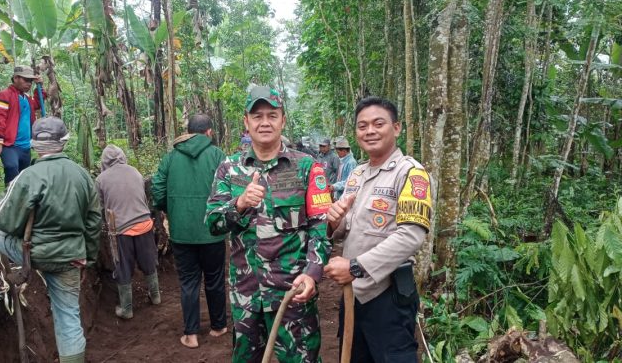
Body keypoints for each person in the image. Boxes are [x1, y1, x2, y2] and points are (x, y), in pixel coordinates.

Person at [0, 117, 101, 363]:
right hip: (72, 256)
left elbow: (7, 222)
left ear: (34, 145)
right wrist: (88, 259)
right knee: (68, 317)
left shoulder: (28, 176)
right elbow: (94, 223)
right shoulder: (83, 176)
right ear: (64, 142)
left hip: (33, 253)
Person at [205, 85, 333, 363]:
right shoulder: (230, 169)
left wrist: (312, 273)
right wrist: (239, 204)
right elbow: (213, 223)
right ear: (246, 122)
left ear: (283, 120)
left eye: (272, 115)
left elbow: (320, 226)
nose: (265, 122)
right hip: (246, 295)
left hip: (293, 292)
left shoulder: (308, 167)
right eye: (257, 115)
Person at [324, 97, 433, 362]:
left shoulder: (411, 174)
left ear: (396, 128)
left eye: (378, 123)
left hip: (388, 299)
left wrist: (354, 267)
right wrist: (333, 221)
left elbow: (411, 236)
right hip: (353, 299)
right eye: (362, 126)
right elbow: (343, 230)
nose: (369, 130)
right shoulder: (357, 175)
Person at [152, 114, 228, 348]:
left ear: (188, 131)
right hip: (213, 231)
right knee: (215, 279)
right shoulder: (218, 156)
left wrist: (171, 210)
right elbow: (231, 187)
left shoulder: (170, 157)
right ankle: (218, 326)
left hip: (182, 233)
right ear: (209, 133)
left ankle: (191, 335)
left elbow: (157, 188)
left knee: (188, 282)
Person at [96, 144, 160, 320]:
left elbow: (100, 207)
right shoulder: (135, 172)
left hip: (121, 230)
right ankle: (155, 296)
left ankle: (127, 308)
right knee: (148, 262)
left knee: (123, 267)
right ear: (123, 157)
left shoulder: (101, 179)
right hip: (145, 224)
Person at [0, 65, 46, 185]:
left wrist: (39, 87)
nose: (29, 83)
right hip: (10, 145)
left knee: (23, 176)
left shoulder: (26, 98)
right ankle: (10, 199)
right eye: (26, 80)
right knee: (11, 168)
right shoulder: (4, 96)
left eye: (30, 81)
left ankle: (21, 200)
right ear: (16, 78)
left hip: (25, 146)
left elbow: (37, 103)